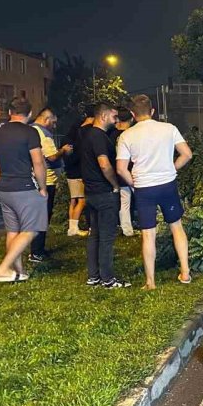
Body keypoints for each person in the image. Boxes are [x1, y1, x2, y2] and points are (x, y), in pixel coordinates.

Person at [116, 94, 193, 290]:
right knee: (176, 227)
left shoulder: (126, 135)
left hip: (144, 189)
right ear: (152, 111)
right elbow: (187, 154)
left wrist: (134, 183)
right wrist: (172, 168)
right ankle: (185, 272)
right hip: (167, 185)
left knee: (148, 235)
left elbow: (121, 168)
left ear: (132, 114)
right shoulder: (169, 129)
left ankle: (150, 282)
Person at [0, 97, 47, 283]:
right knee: (32, 228)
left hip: (5, 188)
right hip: (24, 187)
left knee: (13, 231)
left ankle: (18, 272)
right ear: (30, 114)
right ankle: (3, 268)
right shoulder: (30, 133)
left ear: (9, 113)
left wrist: (0, 184)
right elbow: (38, 162)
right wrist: (43, 187)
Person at [80, 102, 130, 289]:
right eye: (114, 116)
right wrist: (115, 184)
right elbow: (104, 164)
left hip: (91, 193)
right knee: (107, 238)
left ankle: (93, 276)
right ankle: (108, 279)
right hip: (104, 193)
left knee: (95, 235)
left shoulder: (86, 136)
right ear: (103, 116)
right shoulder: (99, 137)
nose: (116, 120)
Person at [30, 108, 73, 262]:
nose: (54, 126)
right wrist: (64, 150)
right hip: (46, 181)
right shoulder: (42, 133)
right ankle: (37, 251)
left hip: (38, 180)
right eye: (53, 123)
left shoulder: (31, 130)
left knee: (39, 216)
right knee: (42, 217)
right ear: (46, 119)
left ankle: (37, 249)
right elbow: (52, 156)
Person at [63, 108, 94, 236]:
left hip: (70, 172)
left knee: (73, 200)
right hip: (77, 172)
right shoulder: (81, 137)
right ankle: (74, 228)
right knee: (82, 200)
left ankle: (71, 227)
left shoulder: (68, 140)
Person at [110, 108, 136, 237]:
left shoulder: (113, 135)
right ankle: (148, 225)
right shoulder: (132, 134)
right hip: (135, 171)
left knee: (124, 202)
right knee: (143, 199)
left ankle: (127, 229)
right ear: (131, 119)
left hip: (120, 171)